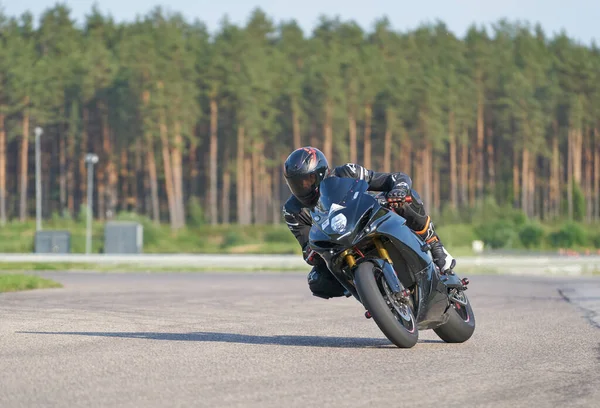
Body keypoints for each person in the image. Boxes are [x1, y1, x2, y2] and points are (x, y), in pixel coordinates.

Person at [282, 146, 456, 300]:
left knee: (406, 200)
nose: (303, 187)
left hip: (366, 221)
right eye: (296, 183)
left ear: (321, 173)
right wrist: (311, 252)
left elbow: (393, 178)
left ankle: (434, 243)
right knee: (317, 280)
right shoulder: (292, 211)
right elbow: (306, 246)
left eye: (308, 180)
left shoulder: (347, 172)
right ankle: (370, 295)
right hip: (336, 246)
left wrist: (399, 189)